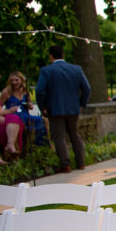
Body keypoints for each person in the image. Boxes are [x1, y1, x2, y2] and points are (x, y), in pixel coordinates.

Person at [36, 43, 90, 172]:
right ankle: (81, 162)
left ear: (51, 56)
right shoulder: (76, 69)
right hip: (73, 108)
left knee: (59, 137)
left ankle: (65, 164)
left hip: (54, 108)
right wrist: (82, 104)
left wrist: (42, 106)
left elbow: (39, 90)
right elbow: (87, 88)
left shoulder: (46, 70)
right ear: (63, 55)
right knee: (74, 135)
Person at [1, 71, 45, 146]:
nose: (14, 82)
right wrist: (2, 114)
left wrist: (29, 105)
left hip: (25, 114)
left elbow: (31, 106)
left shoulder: (25, 91)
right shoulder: (6, 92)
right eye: (12, 80)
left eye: (16, 80)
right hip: (13, 115)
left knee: (41, 120)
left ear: (21, 80)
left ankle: (40, 144)